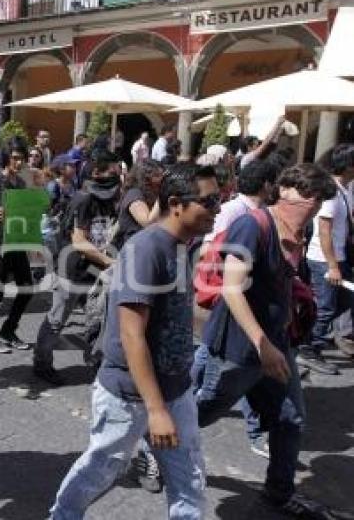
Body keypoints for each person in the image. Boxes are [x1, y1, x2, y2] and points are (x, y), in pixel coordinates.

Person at [49, 163, 219, 520]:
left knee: (189, 477)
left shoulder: (182, 246)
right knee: (102, 468)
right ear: (176, 203)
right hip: (129, 396)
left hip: (176, 390)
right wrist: (155, 410)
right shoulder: (146, 249)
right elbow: (131, 333)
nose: (217, 208)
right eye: (209, 201)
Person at [193, 163, 338, 519]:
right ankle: (154, 444)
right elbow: (231, 287)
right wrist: (262, 344)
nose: (315, 206)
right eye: (310, 197)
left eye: (320, 200)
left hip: (276, 346)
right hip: (239, 349)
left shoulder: (298, 233)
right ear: (285, 190)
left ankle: (278, 494)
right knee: (203, 410)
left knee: (290, 419)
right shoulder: (252, 224)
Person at [33, 150, 122, 384]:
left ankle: (95, 363)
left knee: (96, 319)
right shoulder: (83, 200)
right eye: (112, 171)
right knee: (57, 319)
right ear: (96, 174)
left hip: (94, 270)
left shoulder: (110, 200)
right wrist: (111, 261)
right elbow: (79, 241)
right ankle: (41, 363)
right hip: (71, 269)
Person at [299, 144, 354, 375]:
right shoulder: (330, 190)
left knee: (342, 302)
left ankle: (313, 339)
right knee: (325, 308)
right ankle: (308, 348)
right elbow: (324, 230)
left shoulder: (345, 189)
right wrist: (332, 266)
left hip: (338, 257)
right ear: (350, 165)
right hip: (324, 259)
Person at [0, 138, 33, 353]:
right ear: (6, 159)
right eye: (15, 158)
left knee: (27, 288)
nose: (19, 163)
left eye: (22, 158)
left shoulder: (21, 184)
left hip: (17, 242)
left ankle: (9, 330)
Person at [112, 159, 163, 251]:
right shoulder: (134, 194)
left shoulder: (151, 194)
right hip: (133, 249)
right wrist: (163, 195)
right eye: (156, 176)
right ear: (145, 178)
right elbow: (148, 223)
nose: (161, 179)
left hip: (146, 246)